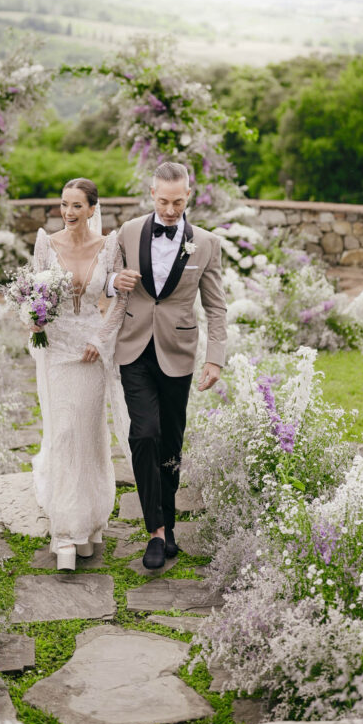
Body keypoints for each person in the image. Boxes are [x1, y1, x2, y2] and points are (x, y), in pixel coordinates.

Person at [108, 161, 227, 569]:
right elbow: (105, 279)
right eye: (163, 202)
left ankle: (168, 522)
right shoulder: (127, 232)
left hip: (178, 351)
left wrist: (215, 358)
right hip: (134, 348)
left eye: (178, 202)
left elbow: (216, 306)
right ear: (152, 194)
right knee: (145, 435)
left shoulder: (207, 243)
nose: (171, 210)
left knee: (171, 442)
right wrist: (114, 282)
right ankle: (156, 531)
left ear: (188, 195)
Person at [30, 177, 130, 571]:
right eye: (64, 204)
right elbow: (34, 295)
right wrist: (33, 319)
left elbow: (121, 300)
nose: (68, 212)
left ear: (92, 209)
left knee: (88, 435)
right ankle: (66, 533)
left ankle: (89, 525)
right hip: (57, 350)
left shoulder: (109, 245)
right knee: (64, 432)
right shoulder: (46, 243)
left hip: (91, 351)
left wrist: (101, 340)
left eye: (76, 206)